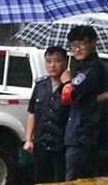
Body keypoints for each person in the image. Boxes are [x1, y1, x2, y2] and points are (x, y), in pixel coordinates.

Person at [59, 26, 108, 181]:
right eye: (73, 45)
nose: (77, 49)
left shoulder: (94, 68)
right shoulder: (83, 68)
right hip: (80, 134)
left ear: (93, 43)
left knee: (76, 180)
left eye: (82, 43)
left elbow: (72, 95)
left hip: (84, 135)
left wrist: (67, 81)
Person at [23, 46, 70, 183]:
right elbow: (32, 112)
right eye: (48, 61)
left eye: (57, 61)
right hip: (41, 144)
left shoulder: (70, 87)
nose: (52, 65)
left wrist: (68, 83)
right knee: (40, 180)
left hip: (61, 146)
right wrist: (28, 139)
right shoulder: (40, 86)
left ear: (65, 62)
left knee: (59, 181)